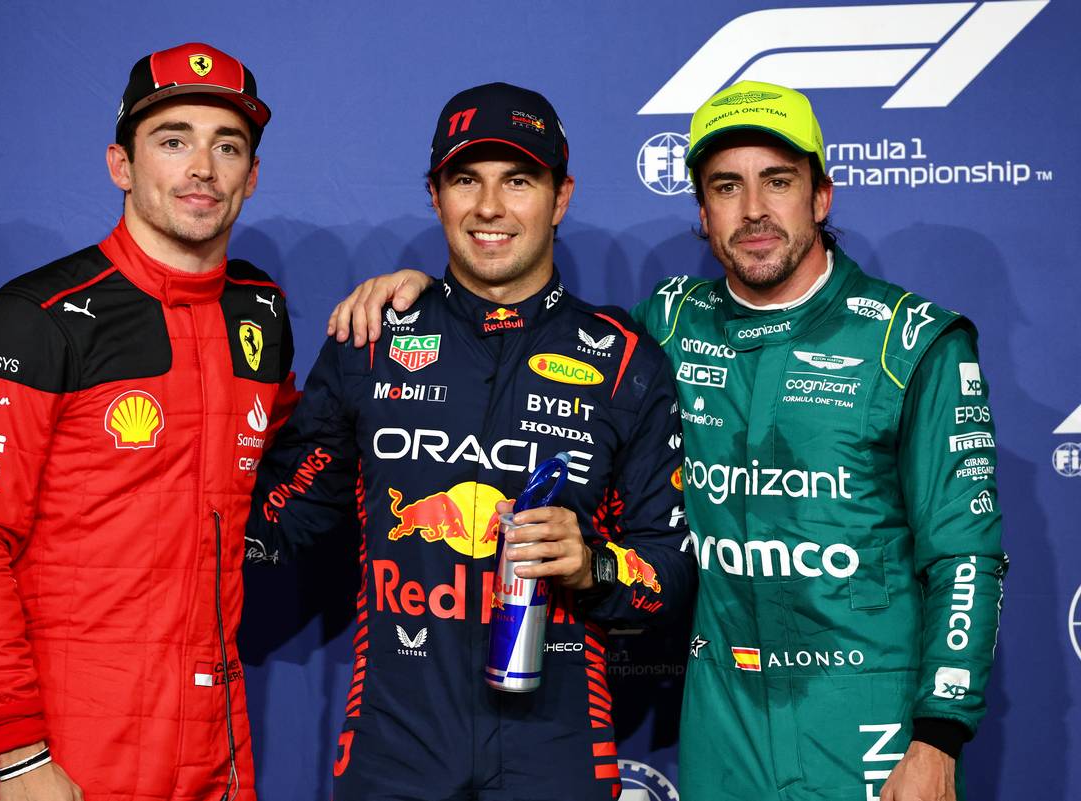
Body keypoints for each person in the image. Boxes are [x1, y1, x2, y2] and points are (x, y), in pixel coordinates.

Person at [327, 80, 1006, 801]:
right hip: (723, 718)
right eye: (725, 187)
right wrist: (428, 299)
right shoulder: (667, 328)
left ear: (822, 194)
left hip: (870, 718)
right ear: (702, 209)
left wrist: (939, 734)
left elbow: (967, 554)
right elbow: (534, 326)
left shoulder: (912, 343)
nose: (753, 212)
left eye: (778, 182)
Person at [248, 81, 696, 801]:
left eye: (518, 180)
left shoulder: (624, 363)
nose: (490, 207)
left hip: (557, 747)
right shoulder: (371, 337)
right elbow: (287, 514)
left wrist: (595, 568)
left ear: (561, 196)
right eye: (466, 180)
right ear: (436, 195)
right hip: (395, 745)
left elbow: (671, 572)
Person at [0, 42, 297, 801]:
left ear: (251, 176)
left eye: (227, 146)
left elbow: (276, 451)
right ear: (120, 165)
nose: (202, 167)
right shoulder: (30, 319)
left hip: (220, 739)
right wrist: (21, 751)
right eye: (172, 141)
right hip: (75, 743)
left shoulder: (260, 309)